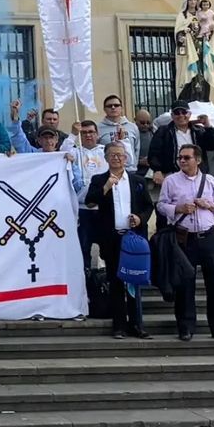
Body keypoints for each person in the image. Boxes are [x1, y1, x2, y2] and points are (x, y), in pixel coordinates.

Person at [158, 144, 214, 342]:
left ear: (197, 160)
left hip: (208, 236)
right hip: (184, 238)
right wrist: (178, 209)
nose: (182, 161)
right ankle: (186, 327)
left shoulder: (210, 180)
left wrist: (211, 206)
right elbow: (161, 204)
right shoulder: (171, 181)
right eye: (180, 158)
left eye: (187, 158)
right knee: (184, 284)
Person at [85, 143, 154, 340]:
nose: (116, 158)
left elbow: (148, 206)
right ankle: (119, 325)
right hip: (112, 238)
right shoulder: (99, 179)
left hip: (132, 238)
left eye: (120, 155)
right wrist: (106, 188)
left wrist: (140, 218)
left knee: (134, 281)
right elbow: (90, 201)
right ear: (106, 158)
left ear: (126, 158)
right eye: (112, 155)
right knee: (115, 282)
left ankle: (137, 324)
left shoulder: (137, 180)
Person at [61, 120, 108, 269]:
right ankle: (86, 282)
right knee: (83, 248)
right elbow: (62, 151)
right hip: (82, 209)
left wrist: (122, 140)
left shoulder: (105, 151)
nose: (88, 135)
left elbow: (126, 157)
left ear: (97, 134)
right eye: (84, 133)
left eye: (91, 132)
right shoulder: (75, 152)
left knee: (106, 248)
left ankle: (106, 281)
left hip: (104, 208)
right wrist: (73, 134)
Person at [148, 100, 214, 193]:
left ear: (189, 114)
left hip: (196, 175)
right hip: (172, 175)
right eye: (177, 113)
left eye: (184, 112)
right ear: (172, 116)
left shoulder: (198, 131)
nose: (181, 115)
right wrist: (157, 170)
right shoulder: (163, 132)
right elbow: (154, 153)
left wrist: (208, 126)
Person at [97, 95, 139, 174]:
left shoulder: (132, 127)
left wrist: (133, 165)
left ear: (121, 108)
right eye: (109, 106)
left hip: (130, 171)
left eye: (116, 105)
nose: (113, 107)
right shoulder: (98, 128)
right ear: (104, 109)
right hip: (108, 171)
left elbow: (136, 149)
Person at [134, 109, 155, 176]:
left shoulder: (154, 131)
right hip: (137, 170)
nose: (146, 125)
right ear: (135, 120)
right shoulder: (131, 133)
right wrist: (139, 161)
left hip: (152, 170)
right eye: (142, 122)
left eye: (148, 122)